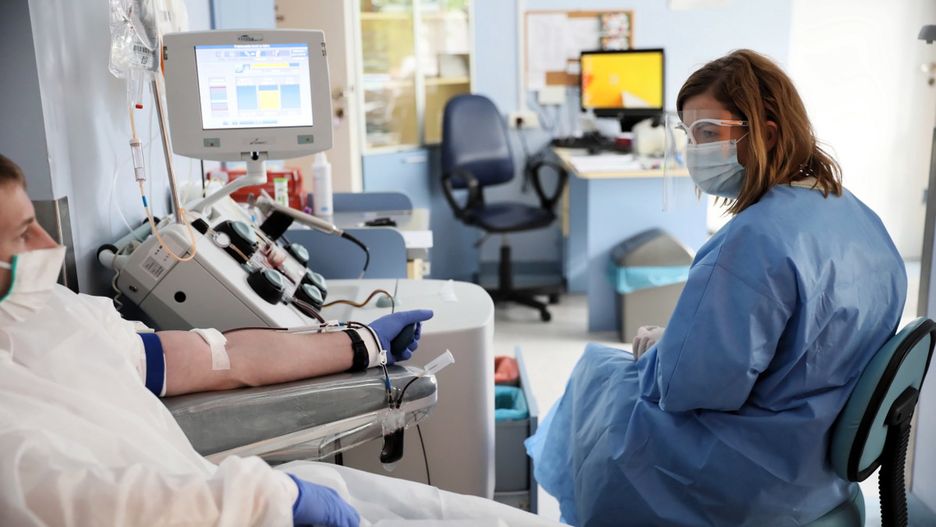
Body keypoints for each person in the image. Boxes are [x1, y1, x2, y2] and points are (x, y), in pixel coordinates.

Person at [0, 154, 556, 527]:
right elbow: (80, 503)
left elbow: (218, 358)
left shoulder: (56, 313)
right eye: (23, 233)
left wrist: (361, 343)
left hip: (225, 496)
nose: (49, 244)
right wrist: (267, 501)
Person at [526, 49, 907, 526]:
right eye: (689, 135)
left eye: (707, 133)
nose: (694, 150)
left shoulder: (754, 240)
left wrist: (662, 350)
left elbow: (687, 388)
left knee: (598, 371)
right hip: (819, 460)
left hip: (757, 474)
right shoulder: (857, 214)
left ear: (767, 133)